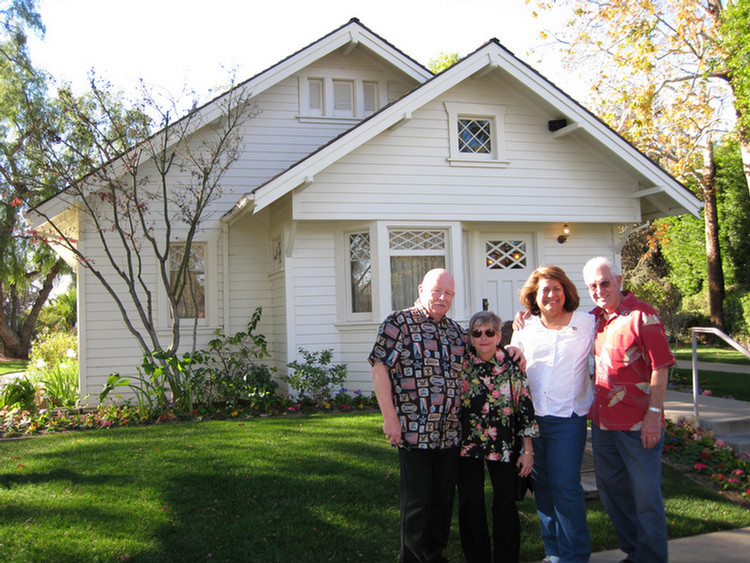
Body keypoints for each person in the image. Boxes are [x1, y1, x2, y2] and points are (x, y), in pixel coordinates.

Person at [369, 268, 466, 563]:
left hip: (449, 433)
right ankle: (412, 559)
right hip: (414, 431)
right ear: (422, 289)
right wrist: (390, 418)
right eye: (437, 290)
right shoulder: (399, 323)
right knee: (417, 503)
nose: (442, 297)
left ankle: (433, 555)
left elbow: (484, 352)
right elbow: (379, 367)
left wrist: (514, 344)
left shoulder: (455, 331)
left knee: (442, 503)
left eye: (448, 293)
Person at [583, 256, 674, 563]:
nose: (599, 290)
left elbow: (660, 367)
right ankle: (636, 553)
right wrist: (524, 317)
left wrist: (654, 415)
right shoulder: (593, 318)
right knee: (611, 491)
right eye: (593, 285)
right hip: (603, 423)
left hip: (638, 425)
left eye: (605, 283)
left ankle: (652, 558)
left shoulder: (642, 315)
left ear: (619, 281)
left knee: (646, 497)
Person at [510, 266, 595, 563]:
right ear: (534, 295)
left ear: (566, 292)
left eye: (556, 288)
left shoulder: (586, 323)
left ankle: (576, 555)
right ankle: (554, 551)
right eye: (544, 290)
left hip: (568, 418)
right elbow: (513, 357)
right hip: (533, 421)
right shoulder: (525, 326)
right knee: (543, 487)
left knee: (566, 486)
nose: (551, 295)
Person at [458, 310, 538, 563]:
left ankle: (506, 557)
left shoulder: (511, 364)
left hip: (503, 442)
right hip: (467, 444)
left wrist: (527, 451)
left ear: (499, 335)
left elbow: (523, 407)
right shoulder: (460, 362)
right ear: (470, 336)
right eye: (477, 333)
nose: (483, 338)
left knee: (504, 502)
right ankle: (477, 557)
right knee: (471, 503)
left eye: (489, 332)